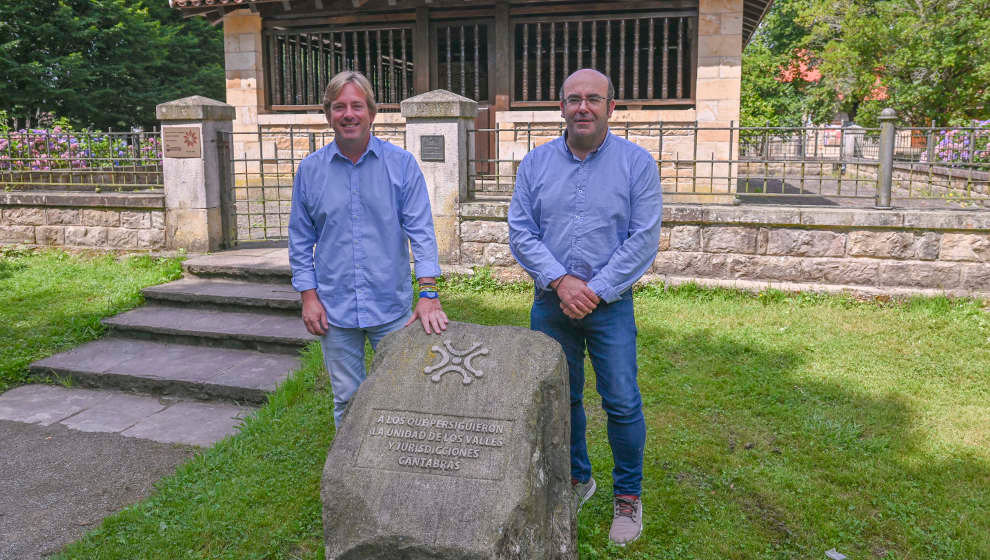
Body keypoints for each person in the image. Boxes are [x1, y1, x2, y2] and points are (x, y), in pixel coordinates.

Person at [507, 68, 661, 546]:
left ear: (611, 107)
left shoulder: (637, 165)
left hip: (610, 305)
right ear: (561, 107)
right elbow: (521, 232)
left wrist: (592, 290)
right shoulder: (534, 164)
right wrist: (561, 281)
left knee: (621, 401)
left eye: (594, 99)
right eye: (574, 99)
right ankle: (578, 478)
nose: (583, 107)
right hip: (550, 304)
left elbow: (643, 239)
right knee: (560, 399)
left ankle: (628, 497)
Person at [289, 71, 448, 426]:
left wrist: (429, 294)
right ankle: (348, 477)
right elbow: (300, 240)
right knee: (347, 399)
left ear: (372, 113)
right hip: (335, 309)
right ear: (328, 114)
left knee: (400, 394)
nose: (348, 114)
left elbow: (421, 232)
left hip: (390, 307)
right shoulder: (311, 171)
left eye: (357, 106)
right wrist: (308, 296)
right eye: (339, 107)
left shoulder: (401, 165)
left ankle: (391, 472)